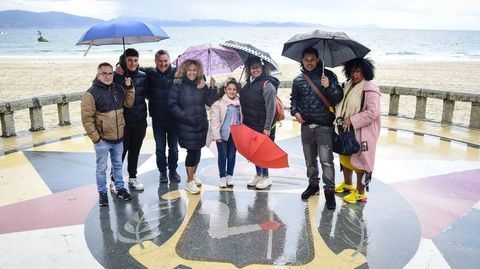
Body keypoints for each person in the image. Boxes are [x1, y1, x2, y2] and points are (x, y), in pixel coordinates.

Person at [290, 47, 343, 209]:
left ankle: (329, 191)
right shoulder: (298, 80)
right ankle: (313, 185)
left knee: (326, 161)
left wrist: (328, 86)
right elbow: (294, 100)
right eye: (306, 60)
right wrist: (295, 112)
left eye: (312, 59)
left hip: (324, 126)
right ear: (302, 61)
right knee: (309, 160)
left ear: (318, 59)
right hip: (306, 126)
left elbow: (338, 97)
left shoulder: (328, 76)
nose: (309, 62)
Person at [81, 62, 135, 206]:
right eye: (104, 73)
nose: (108, 76)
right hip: (103, 140)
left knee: (118, 165)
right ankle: (102, 193)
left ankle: (120, 188)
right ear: (98, 75)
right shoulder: (90, 93)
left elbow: (129, 104)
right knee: (101, 168)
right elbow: (87, 119)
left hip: (119, 137)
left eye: (110, 73)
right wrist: (96, 138)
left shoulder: (118, 88)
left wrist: (129, 87)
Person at [334, 58, 381, 204]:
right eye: (353, 71)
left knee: (361, 161)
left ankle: (360, 193)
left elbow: (373, 112)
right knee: (345, 156)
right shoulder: (348, 85)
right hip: (346, 129)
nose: (355, 74)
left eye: (358, 71)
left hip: (362, 131)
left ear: (365, 71)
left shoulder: (370, 88)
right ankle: (348, 184)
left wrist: (352, 120)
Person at [168, 59, 216, 194]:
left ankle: (193, 176)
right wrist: (185, 115)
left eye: (195, 70)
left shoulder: (200, 84)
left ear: (199, 71)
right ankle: (189, 181)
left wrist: (211, 87)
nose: (192, 72)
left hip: (201, 123)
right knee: (191, 151)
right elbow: (172, 105)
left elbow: (210, 101)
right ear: (184, 70)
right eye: (189, 70)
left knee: (198, 150)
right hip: (186, 125)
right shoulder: (178, 85)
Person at [112, 48, 149, 192]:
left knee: (135, 150)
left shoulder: (143, 76)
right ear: (124, 60)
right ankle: (114, 179)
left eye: (135, 60)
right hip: (123, 121)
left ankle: (132, 177)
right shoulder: (116, 77)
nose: (133, 63)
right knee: (120, 152)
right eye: (129, 60)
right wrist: (117, 73)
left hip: (140, 120)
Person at [240, 56, 280, 190]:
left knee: (263, 152)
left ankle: (266, 176)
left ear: (263, 68)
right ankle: (258, 174)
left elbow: (271, 108)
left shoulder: (267, 85)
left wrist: (267, 127)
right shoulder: (249, 83)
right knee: (254, 152)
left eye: (257, 67)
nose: (255, 70)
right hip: (250, 124)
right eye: (252, 67)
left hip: (263, 125)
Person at [145, 50, 181, 183]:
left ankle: (173, 170)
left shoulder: (177, 73)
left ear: (169, 60)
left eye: (165, 61)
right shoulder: (150, 73)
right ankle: (162, 172)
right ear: (155, 62)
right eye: (160, 61)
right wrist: (119, 65)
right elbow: (134, 70)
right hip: (158, 119)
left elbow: (192, 74)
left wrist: (203, 80)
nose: (163, 63)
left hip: (173, 119)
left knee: (173, 148)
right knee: (160, 148)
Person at [208, 77, 242, 188]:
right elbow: (215, 120)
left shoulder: (239, 102)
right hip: (222, 134)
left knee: (232, 156)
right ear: (225, 89)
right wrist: (216, 135)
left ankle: (230, 175)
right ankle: (222, 176)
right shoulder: (219, 103)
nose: (232, 91)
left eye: (234, 89)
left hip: (235, 134)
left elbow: (241, 118)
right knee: (222, 156)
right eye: (229, 89)